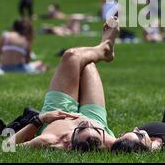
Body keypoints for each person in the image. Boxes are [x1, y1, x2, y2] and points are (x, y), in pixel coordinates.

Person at [11, 17, 120, 151]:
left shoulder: (50, 140)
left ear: (68, 143)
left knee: (72, 55)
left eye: (82, 127)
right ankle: (105, 48)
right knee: (87, 62)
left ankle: (104, 48)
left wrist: (41, 118)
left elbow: (7, 146)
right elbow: (147, 142)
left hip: (59, 113)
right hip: (95, 116)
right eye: (96, 130)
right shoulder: (108, 141)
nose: (85, 121)